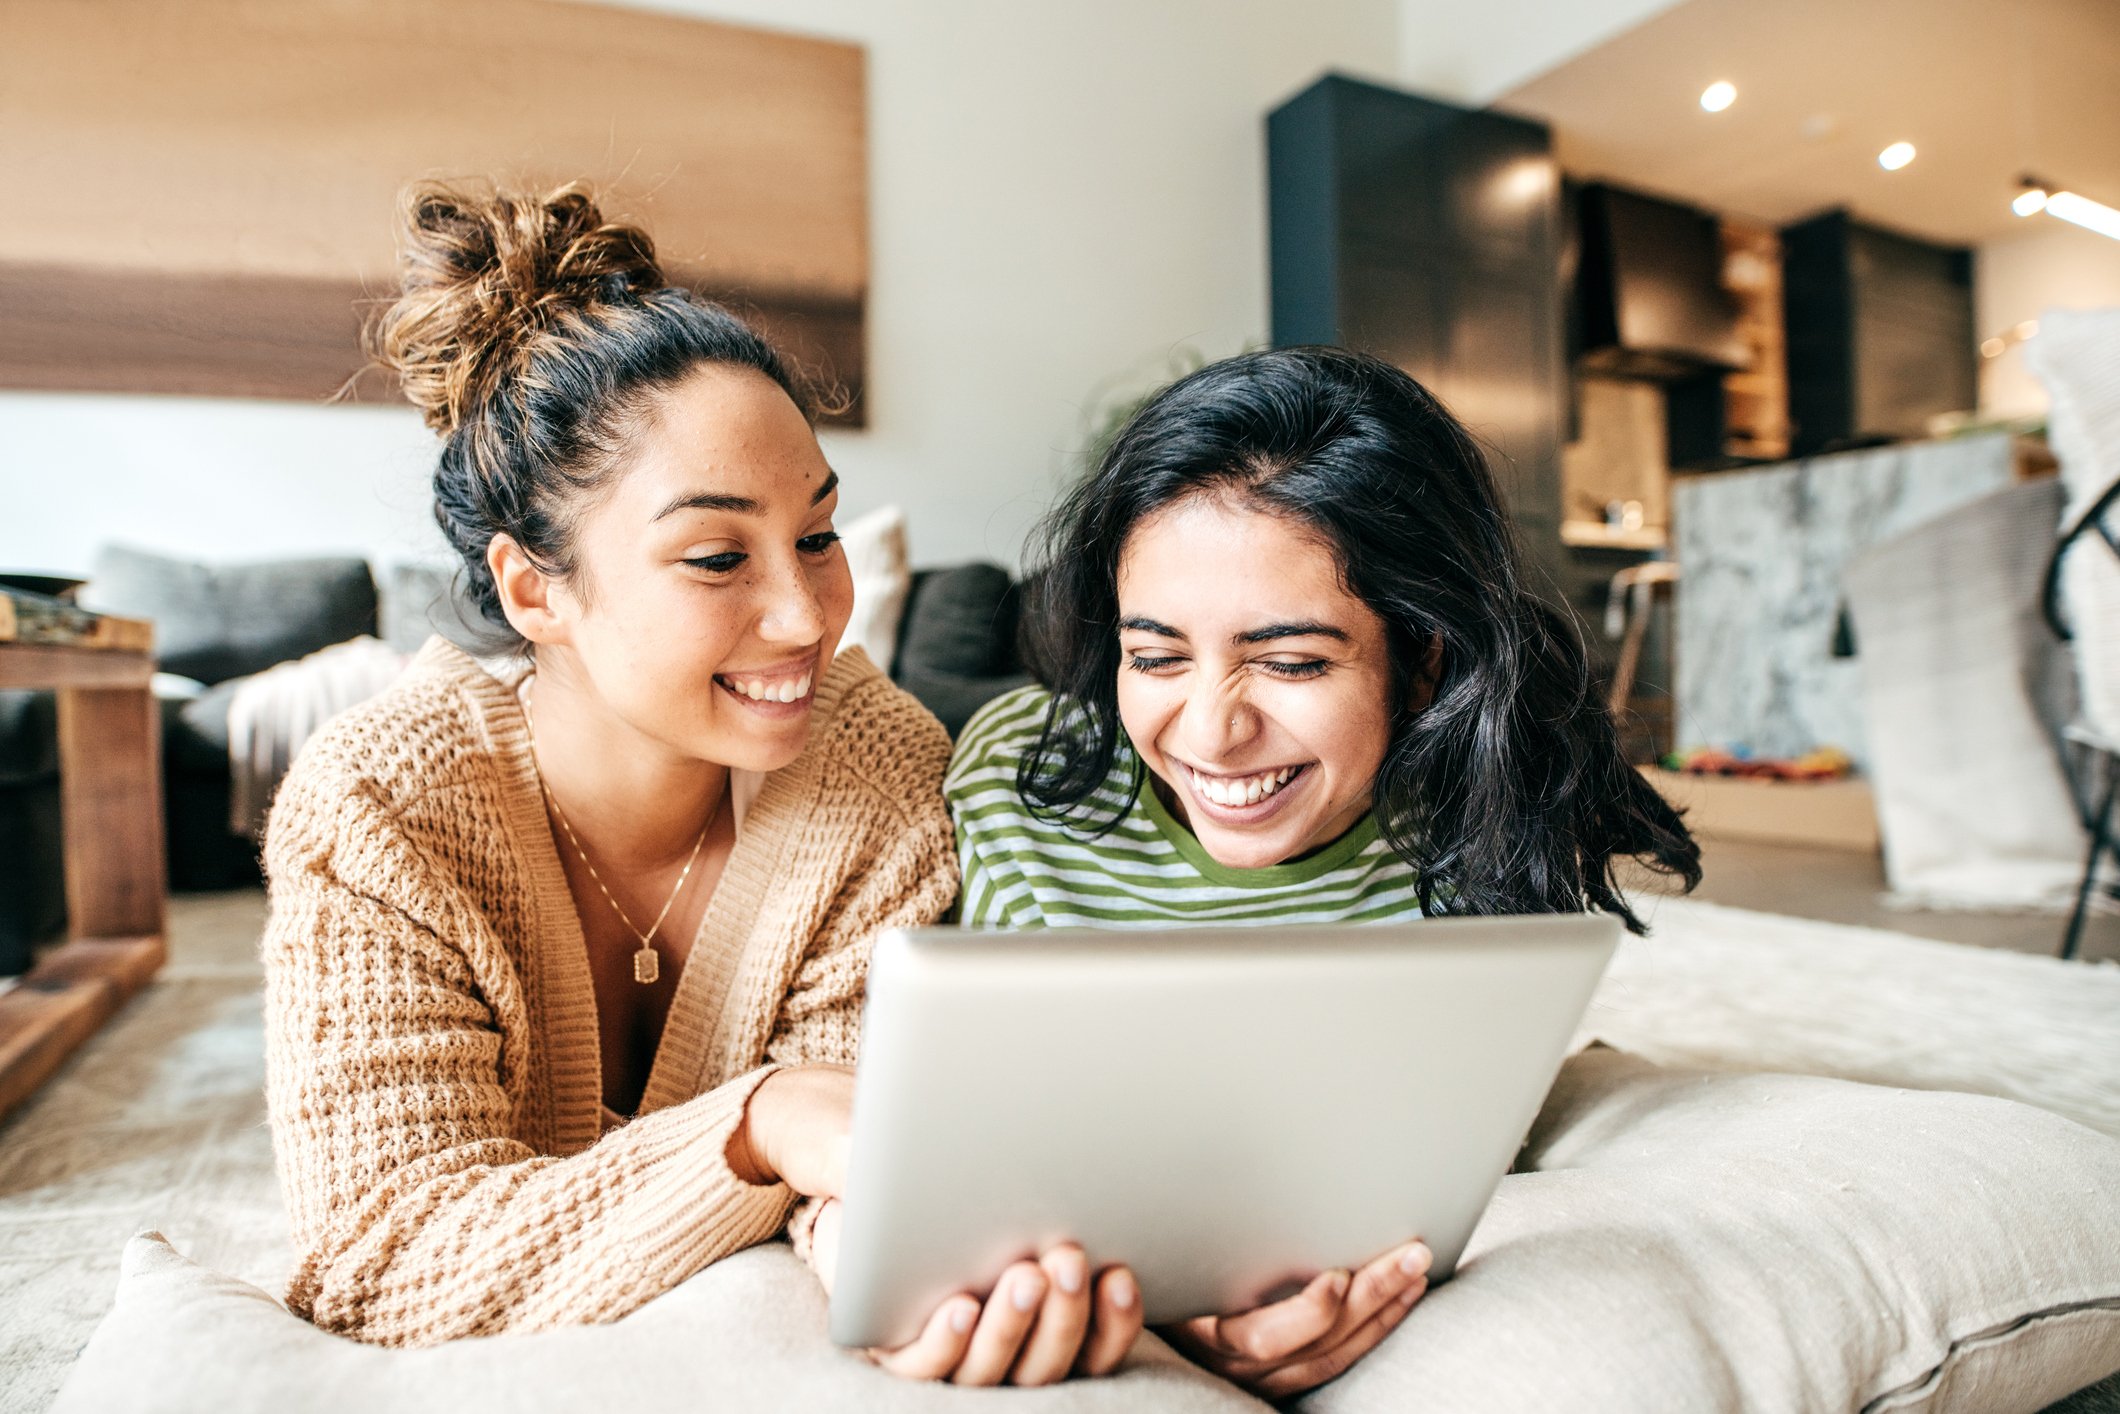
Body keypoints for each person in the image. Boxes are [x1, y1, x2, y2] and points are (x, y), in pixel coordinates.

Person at [261, 182, 1141, 1384]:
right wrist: (757, 1117)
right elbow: (383, 1258)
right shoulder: (378, 808)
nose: (806, 616)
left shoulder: (875, 766)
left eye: (818, 537)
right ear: (535, 591)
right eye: (718, 556)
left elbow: (852, 1154)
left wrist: (888, 1252)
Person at [946, 345, 1702, 1397]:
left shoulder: (1479, 810)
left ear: (1424, 653)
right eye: (1155, 655)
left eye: (1292, 661)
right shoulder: (1015, 781)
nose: (1211, 731)